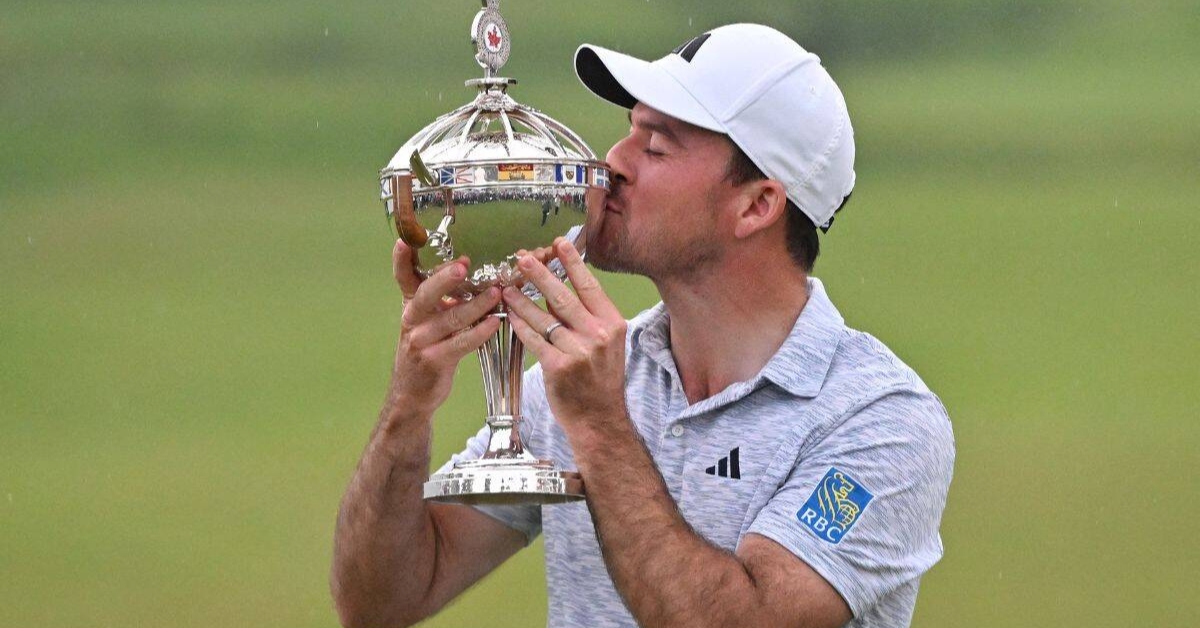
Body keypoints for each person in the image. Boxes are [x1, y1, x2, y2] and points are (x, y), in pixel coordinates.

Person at [331, 23, 954, 628]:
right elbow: (379, 604)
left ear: (757, 205)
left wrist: (601, 427)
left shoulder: (882, 420)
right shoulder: (592, 373)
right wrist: (407, 410)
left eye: (656, 146)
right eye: (630, 130)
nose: (613, 163)